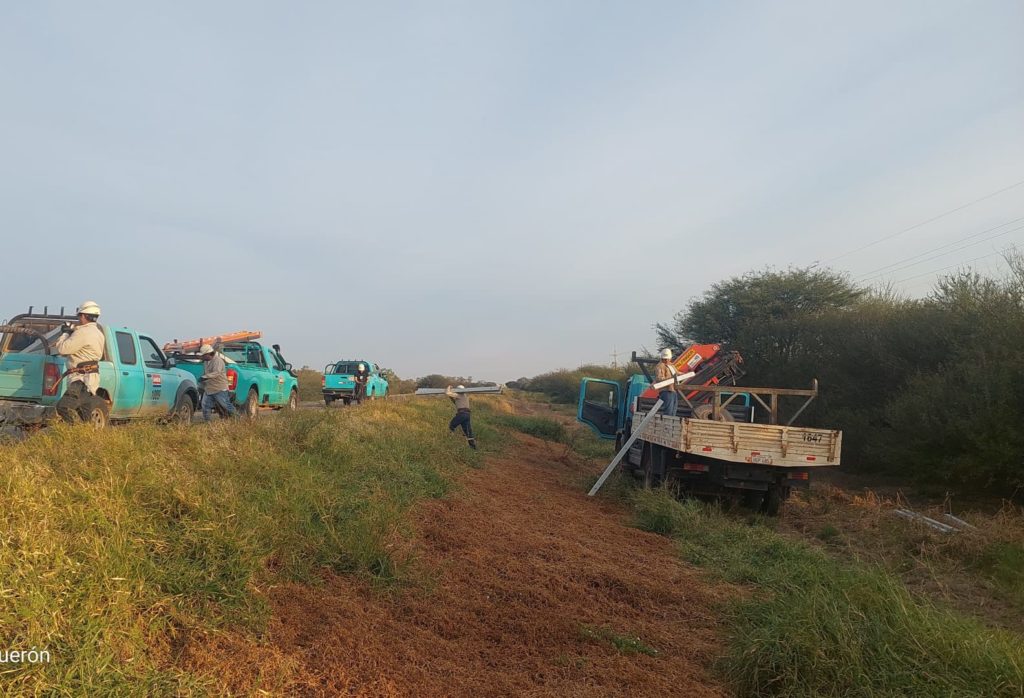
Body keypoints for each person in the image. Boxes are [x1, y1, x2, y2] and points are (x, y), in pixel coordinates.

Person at [53, 300, 106, 422]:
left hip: (80, 379)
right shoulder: (99, 333)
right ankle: (84, 435)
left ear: (82, 315)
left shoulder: (82, 332)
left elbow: (62, 349)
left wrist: (66, 333)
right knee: (84, 412)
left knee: (63, 407)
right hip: (90, 378)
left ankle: (74, 431)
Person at [199, 343, 236, 422]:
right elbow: (205, 373)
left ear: (208, 354)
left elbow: (216, 373)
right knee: (205, 406)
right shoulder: (206, 362)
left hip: (219, 388)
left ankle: (237, 419)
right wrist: (201, 384)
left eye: (203, 355)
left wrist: (204, 377)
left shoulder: (218, 360)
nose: (202, 357)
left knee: (225, 405)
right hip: (209, 388)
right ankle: (207, 422)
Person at [446, 384, 477, 449]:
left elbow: (447, 393)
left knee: (452, 425)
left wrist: (449, 387)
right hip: (467, 415)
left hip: (462, 414)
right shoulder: (465, 396)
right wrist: (451, 397)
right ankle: (473, 448)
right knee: (468, 432)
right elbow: (456, 402)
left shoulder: (458, 395)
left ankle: (449, 439)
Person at [655, 348, 680, 417]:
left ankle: (670, 425)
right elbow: (659, 378)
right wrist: (671, 379)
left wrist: (686, 374)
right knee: (669, 411)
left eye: (667, 359)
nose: (666, 360)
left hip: (673, 390)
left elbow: (677, 373)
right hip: (666, 391)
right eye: (664, 359)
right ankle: (667, 426)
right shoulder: (660, 366)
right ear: (662, 358)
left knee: (673, 411)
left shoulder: (671, 365)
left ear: (670, 358)